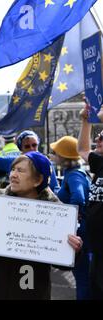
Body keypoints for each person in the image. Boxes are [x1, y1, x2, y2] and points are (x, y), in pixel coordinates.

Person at [0, 152, 83, 299]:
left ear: (38, 180)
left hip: (33, 291)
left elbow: (64, 263)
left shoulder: (55, 211)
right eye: (13, 169)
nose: (13, 174)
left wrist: (74, 249)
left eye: (20, 171)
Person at [50, 136, 91, 300]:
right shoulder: (73, 173)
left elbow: (78, 198)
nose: (52, 155)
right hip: (83, 230)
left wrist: (69, 220)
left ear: (63, 157)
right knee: (83, 276)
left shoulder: (74, 175)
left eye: (55, 152)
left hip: (79, 232)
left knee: (82, 277)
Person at [0, 126, 60, 193]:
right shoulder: (14, 161)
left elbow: (54, 187)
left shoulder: (46, 162)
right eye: (27, 146)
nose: (32, 148)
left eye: (34, 145)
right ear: (21, 149)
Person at [77, 101, 103, 300]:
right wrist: (86, 120)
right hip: (97, 249)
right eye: (98, 138)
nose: (99, 139)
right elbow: (84, 149)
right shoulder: (100, 163)